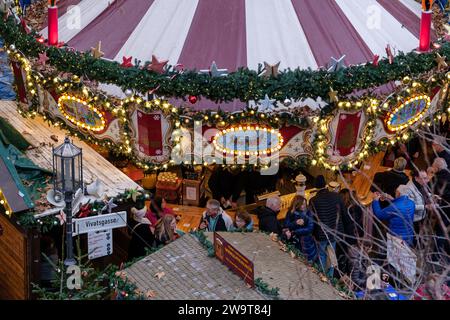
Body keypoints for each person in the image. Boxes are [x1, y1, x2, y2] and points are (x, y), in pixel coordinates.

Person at [309, 175, 344, 278]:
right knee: (332, 256)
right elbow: (341, 214)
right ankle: (330, 277)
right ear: (325, 185)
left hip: (321, 234)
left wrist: (314, 234)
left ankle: (322, 277)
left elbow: (313, 220)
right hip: (334, 232)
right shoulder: (336, 197)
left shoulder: (313, 200)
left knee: (322, 256)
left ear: (315, 186)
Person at [283, 195, 317, 262]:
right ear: (297, 204)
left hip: (307, 242)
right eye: (302, 204)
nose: (304, 206)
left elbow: (310, 228)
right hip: (295, 242)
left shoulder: (308, 212)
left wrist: (294, 232)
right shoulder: (290, 212)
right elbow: (286, 225)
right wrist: (295, 223)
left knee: (309, 262)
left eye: (305, 204)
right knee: (297, 261)